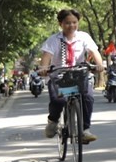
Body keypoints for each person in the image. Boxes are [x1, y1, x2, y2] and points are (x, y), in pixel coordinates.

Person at [39, 8, 105, 143]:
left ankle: (85, 130)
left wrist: (99, 66)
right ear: (60, 24)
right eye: (68, 23)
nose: (72, 26)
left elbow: (94, 52)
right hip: (59, 76)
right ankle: (53, 120)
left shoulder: (84, 37)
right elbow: (46, 56)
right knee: (59, 100)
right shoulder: (53, 40)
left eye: (74, 22)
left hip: (79, 75)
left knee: (88, 97)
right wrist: (44, 68)